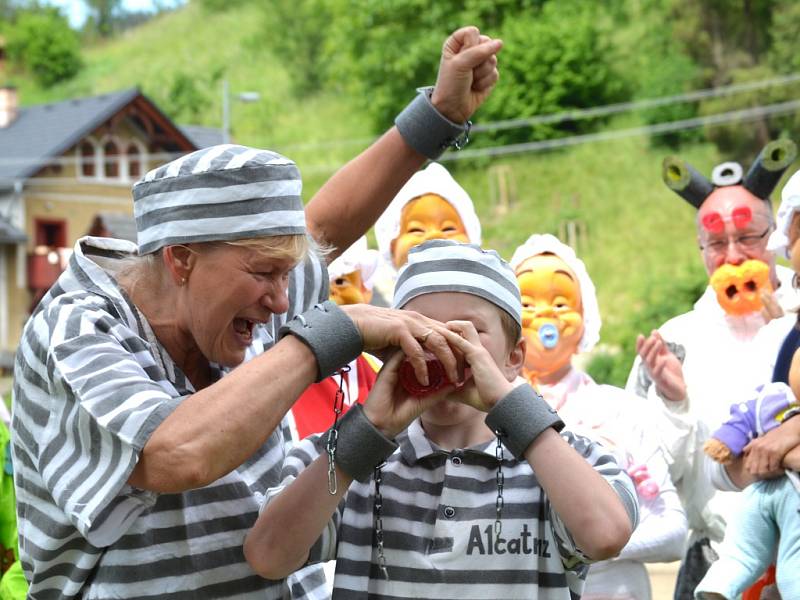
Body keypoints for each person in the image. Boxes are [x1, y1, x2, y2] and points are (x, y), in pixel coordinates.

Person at [10, 27, 503, 599]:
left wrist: (436, 118)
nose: (283, 300)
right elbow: (174, 453)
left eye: (285, 272)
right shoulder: (77, 328)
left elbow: (323, 230)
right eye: (265, 272)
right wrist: (332, 333)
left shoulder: (238, 297)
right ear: (181, 258)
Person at [245, 240, 638, 599]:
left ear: (514, 358)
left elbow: (606, 537)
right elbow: (269, 556)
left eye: (469, 332)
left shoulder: (561, 459)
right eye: (419, 329)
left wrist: (509, 405)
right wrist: (369, 429)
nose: (442, 345)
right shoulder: (342, 456)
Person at [625, 140, 799, 598]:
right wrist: (672, 401)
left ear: (776, 238)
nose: (734, 257)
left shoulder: (796, 319)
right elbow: (649, 470)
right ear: (700, 249)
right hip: (716, 562)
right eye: (717, 243)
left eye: (748, 238)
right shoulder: (676, 340)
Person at [510, 234, 686, 600]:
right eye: (527, 302)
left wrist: (599, 541)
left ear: (586, 316)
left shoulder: (619, 410)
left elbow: (673, 529)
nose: (546, 314)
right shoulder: (483, 419)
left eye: (561, 302)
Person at [288, 236, 382, 441]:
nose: (329, 294)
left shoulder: (378, 369)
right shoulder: (289, 372)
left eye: (340, 281)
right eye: (321, 285)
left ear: (365, 290)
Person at [371, 161, 482, 304]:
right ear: (391, 247)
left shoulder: (486, 304)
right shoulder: (379, 308)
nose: (434, 236)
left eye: (449, 228)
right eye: (416, 229)